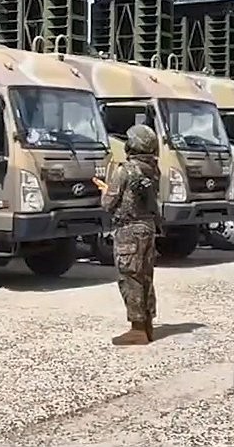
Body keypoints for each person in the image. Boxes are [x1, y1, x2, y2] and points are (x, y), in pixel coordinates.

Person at [93, 124, 161, 346]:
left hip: (129, 230)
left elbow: (108, 203)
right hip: (148, 228)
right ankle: (148, 323)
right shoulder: (153, 169)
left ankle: (137, 329)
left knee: (130, 277)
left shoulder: (125, 170)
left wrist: (105, 190)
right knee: (146, 276)